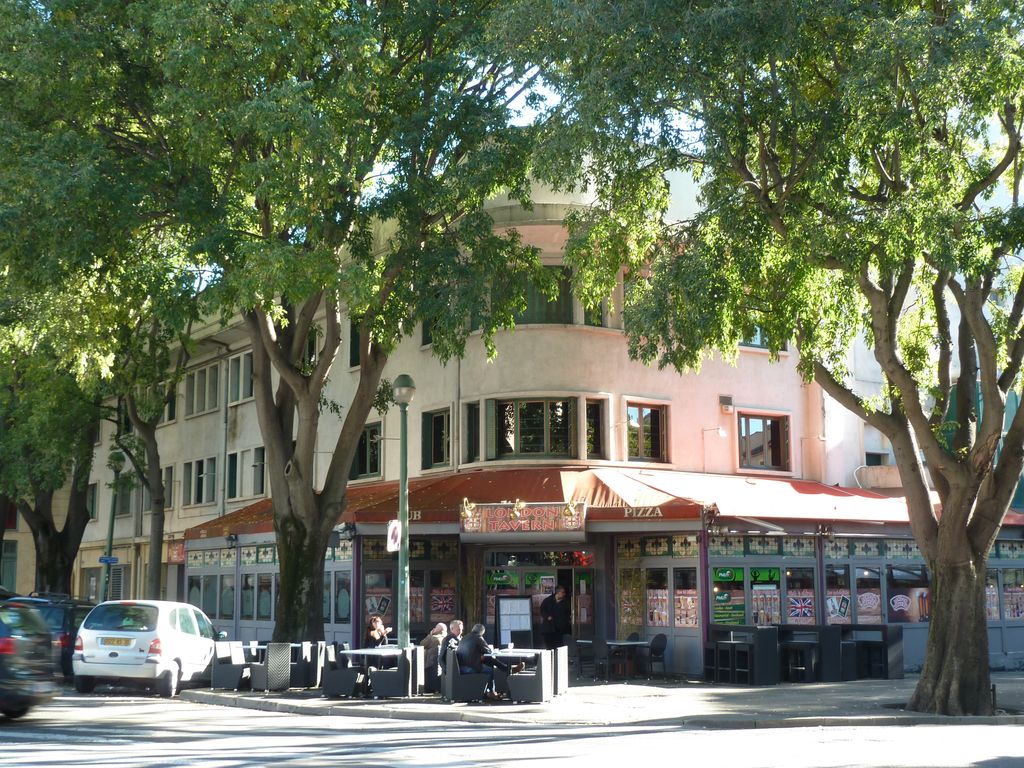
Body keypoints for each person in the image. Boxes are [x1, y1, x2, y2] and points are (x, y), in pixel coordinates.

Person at [456, 623, 524, 701]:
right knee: (490, 669)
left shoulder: (465, 637)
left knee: (488, 660)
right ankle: (493, 688)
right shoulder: (478, 638)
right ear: (482, 632)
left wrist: (480, 655)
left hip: (463, 666)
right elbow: (488, 651)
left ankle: (506, 670)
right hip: (471, 667)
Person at [539, 585, 571, 649]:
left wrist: (566, 622)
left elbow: (568, 613)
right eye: (563, 592)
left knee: (559, 647)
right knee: (549, 647)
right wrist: (547, 616)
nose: (564, 594)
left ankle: (557, 658)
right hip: (548, 629)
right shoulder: (548, 600)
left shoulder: (565, 602)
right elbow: (542, 610)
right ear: (558, 592)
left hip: (559, 629)